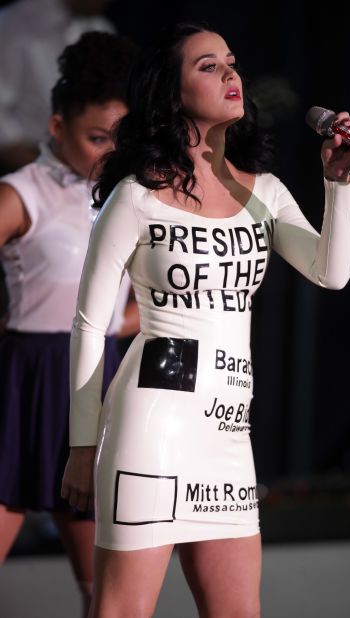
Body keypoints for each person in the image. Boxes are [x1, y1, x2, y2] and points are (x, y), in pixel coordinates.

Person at [61, 22, 350, 617]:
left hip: (227, 434)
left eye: (231, 62)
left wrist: (339, 183)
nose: (231, 74)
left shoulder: (268, 194)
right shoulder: (135, 195)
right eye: (208, 66)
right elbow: (88, 325)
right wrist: (81, 446)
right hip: (150, 425)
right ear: (171, 92)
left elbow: (331, 274)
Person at [0, 31, 139, 617]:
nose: (108, 152)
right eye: (95, 137)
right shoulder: (21, 191)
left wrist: (131, 322)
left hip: (96, 384)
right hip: (23, 381)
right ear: (57, 127)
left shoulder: (130, 196)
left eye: (120, 139)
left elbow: (147, 294)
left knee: (103, 591)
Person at [0, 0, 116, 173]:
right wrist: (37, 170)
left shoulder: (100, 26)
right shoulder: (14, 22)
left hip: (86, 162)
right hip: (27, 159)